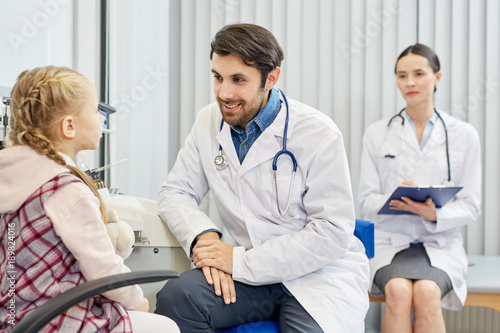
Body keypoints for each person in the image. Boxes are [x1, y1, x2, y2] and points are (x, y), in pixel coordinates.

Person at [154, 23, 369, 332]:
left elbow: (332, 232)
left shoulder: (317, 133)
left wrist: (237, 261)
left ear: (271, 78)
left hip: (317, 275)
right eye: (218, 77)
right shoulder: (208, 122)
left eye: (238, 80)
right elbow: (175, 191)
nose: (224, 93)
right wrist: (205, 237)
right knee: (179, 297)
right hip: (245, 275)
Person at [0, 66, 179, 333]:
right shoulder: (66, 190)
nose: (102, 120)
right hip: (56, 320)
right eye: (96, 111)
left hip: (12, 319)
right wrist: (138, 301)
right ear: (69, 126)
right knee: (164, 327)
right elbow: (105, 270)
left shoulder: (10, 177)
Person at [358, 43, 481, 333]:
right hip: (391, 242)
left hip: (440, 243)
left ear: (437, 77)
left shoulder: (464, 135)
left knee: (427, 292)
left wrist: (432, 213)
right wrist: (396, 197)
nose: (409, 82)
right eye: (402, 75)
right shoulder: (377, 133)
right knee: (398, 291)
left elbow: (471, 204)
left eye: (418, 74)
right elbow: (365, 200)